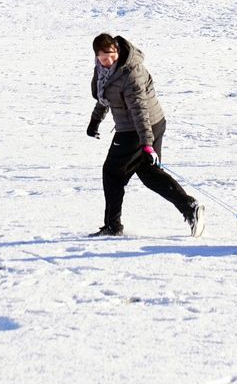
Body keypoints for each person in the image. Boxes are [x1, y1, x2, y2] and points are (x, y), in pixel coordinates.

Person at [86, 33, 204, 237]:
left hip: (139, 127)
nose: (108, 62)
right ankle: (190, 207)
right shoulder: (104, 71)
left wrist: (147, 144)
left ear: (117, 50)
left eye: (111, 56)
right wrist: (95, 120)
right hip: (147, 125)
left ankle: (113, 226)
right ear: (96, 57)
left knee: (112, 173)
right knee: (149, 174)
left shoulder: (131, 72)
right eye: (103, 59)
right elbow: (107, 96)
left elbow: (139, 110)